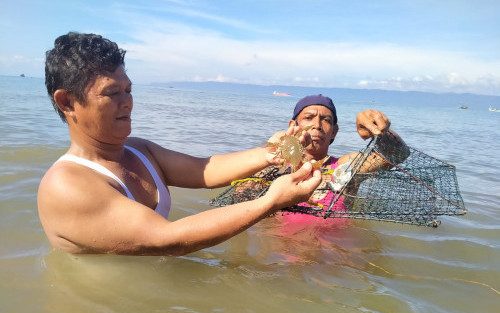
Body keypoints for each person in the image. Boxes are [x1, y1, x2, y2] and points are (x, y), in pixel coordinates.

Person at [38, 32, 323, 256]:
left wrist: (271, 153)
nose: (128, 103)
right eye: (112, 93)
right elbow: (168, 240)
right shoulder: (66, 185)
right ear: (67, 102)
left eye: (128, 89)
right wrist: (271, 202)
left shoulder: (140, 149)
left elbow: (203, 170)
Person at [279, 94, 408, 227]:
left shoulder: (344, 168)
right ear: (293, 126)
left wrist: (378, 130)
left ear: (334, 131)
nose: (317, 125)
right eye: (308, 118)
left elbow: (398, 154)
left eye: (326, 120)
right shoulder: (275, 165)